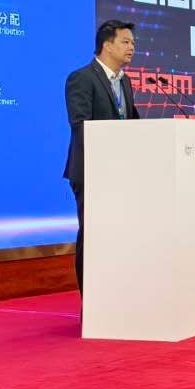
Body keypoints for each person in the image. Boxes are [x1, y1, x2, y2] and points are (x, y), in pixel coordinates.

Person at [64, 20, 141, 291]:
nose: (132, 47)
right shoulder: (81, 78)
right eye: (125, 42)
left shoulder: (125, 81)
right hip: (92, 172)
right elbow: (80, 124)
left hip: (121, 173)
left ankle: (115, 295)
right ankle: (90, 302)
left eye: (133, 43)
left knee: (119, 237)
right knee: (93, 236)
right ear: (107, 46)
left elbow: (131, 123)